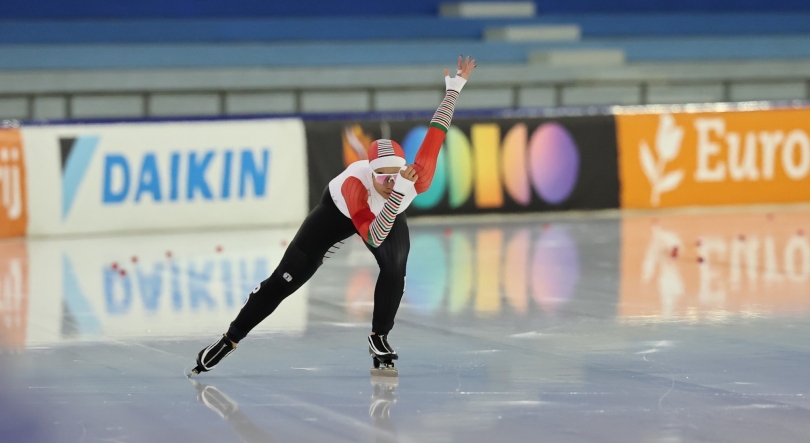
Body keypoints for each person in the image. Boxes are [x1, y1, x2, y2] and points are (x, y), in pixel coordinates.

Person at [190, 56, 476, 377]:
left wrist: (454, 88)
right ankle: (230, 339)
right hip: (338, 213)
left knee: (395, 266)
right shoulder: (356, 185)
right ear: (370, 172)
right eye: (383, 176)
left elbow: (437, 130)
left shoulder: (417, 176)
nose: (392, 182)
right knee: (284, 281)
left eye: (397, 175)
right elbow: (372, 235)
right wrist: (396, 197)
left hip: (384, 216)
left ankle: (379, 336)